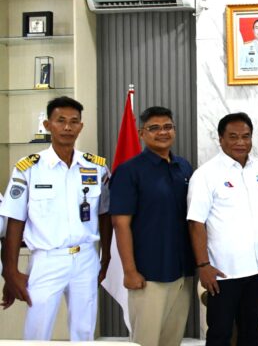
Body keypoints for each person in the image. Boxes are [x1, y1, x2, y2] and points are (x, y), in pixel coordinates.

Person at [0, 96, 112, 340]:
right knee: (37, 329)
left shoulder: (96, 167)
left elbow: (105, 214)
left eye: (74, 121)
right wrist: (10, 270)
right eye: (60, 121)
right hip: (47, 259)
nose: (68, 127)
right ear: (47, 125)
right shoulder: (29, 168)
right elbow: (14, 222)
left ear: (81, 126)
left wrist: (106, 257)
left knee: (84, 330)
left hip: (85, 257)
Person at [187, 112, 258, 346]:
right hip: (223, 272)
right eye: (233, 136)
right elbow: (195, 223)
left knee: (253, 331)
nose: (240, 142)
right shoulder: (206, 175)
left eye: (246, 136)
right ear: (221, 139)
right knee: (220, 333)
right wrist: (203, 266)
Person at [109, 106, 194, 346]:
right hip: (148, 274)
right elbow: (120, 224)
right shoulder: (129, 171)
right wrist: (130, 271)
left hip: (182, 271)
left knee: (172, 339)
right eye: (154, 128)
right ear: (141, 133)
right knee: (146, 340)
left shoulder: (184, 167)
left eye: (167, 127)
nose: (162, 132)